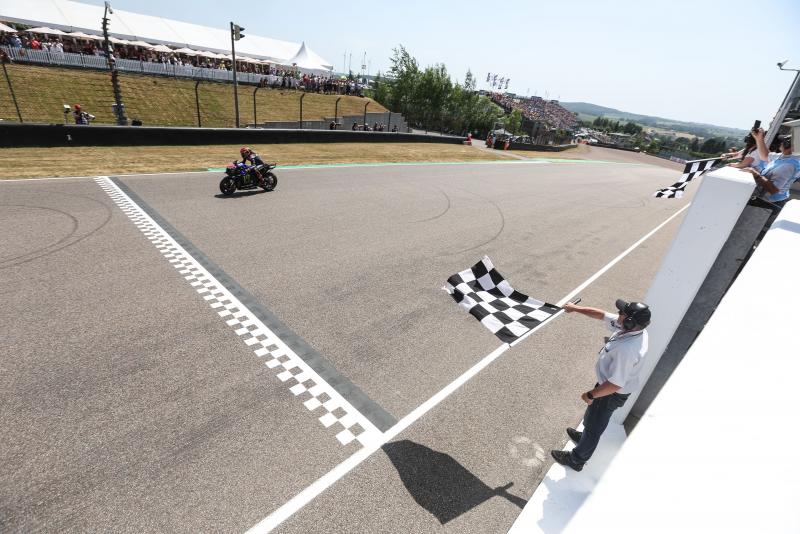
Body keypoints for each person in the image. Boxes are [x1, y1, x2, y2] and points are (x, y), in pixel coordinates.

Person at [551, 299, 651, 472]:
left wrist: (591, 395)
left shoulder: (628, 350)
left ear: (629, 321)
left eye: (622, 313)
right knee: (592, 418)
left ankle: (577, 459)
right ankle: (584, 437)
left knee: (595, 427)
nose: (618, 314)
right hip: (606, 387)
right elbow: (601, 315)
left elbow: (615, 384)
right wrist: (575, 308)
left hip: (610, 393)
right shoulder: (631, 328)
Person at [744, 128, 799, 208]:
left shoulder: (788, 166)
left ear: (791, 148)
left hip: (769, 204)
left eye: (784, 142)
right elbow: (765, 156)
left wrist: (756, 175)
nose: (781, 143)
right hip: (764, 198)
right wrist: (759, 138)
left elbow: (774, 190)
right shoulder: (784, 156)